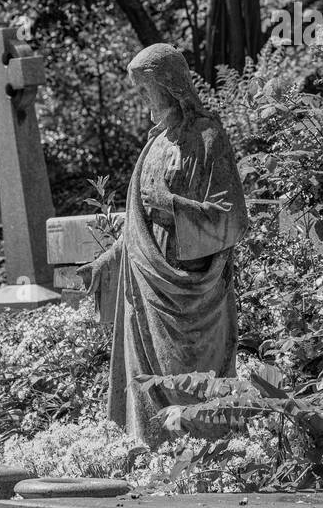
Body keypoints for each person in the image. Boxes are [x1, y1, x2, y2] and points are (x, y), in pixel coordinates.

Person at [82, 44, 248, 442]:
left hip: (192, 288)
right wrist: (109, 260)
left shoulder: (208, 137)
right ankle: (152, 452)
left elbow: (233, 218)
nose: (144, 100)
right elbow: (140, 222)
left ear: (169, 85)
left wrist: (173, 205)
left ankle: (209, 455)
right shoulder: (155, 144)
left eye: (146, 89)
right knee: (149, 378)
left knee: (195, 380)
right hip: (147, 280)